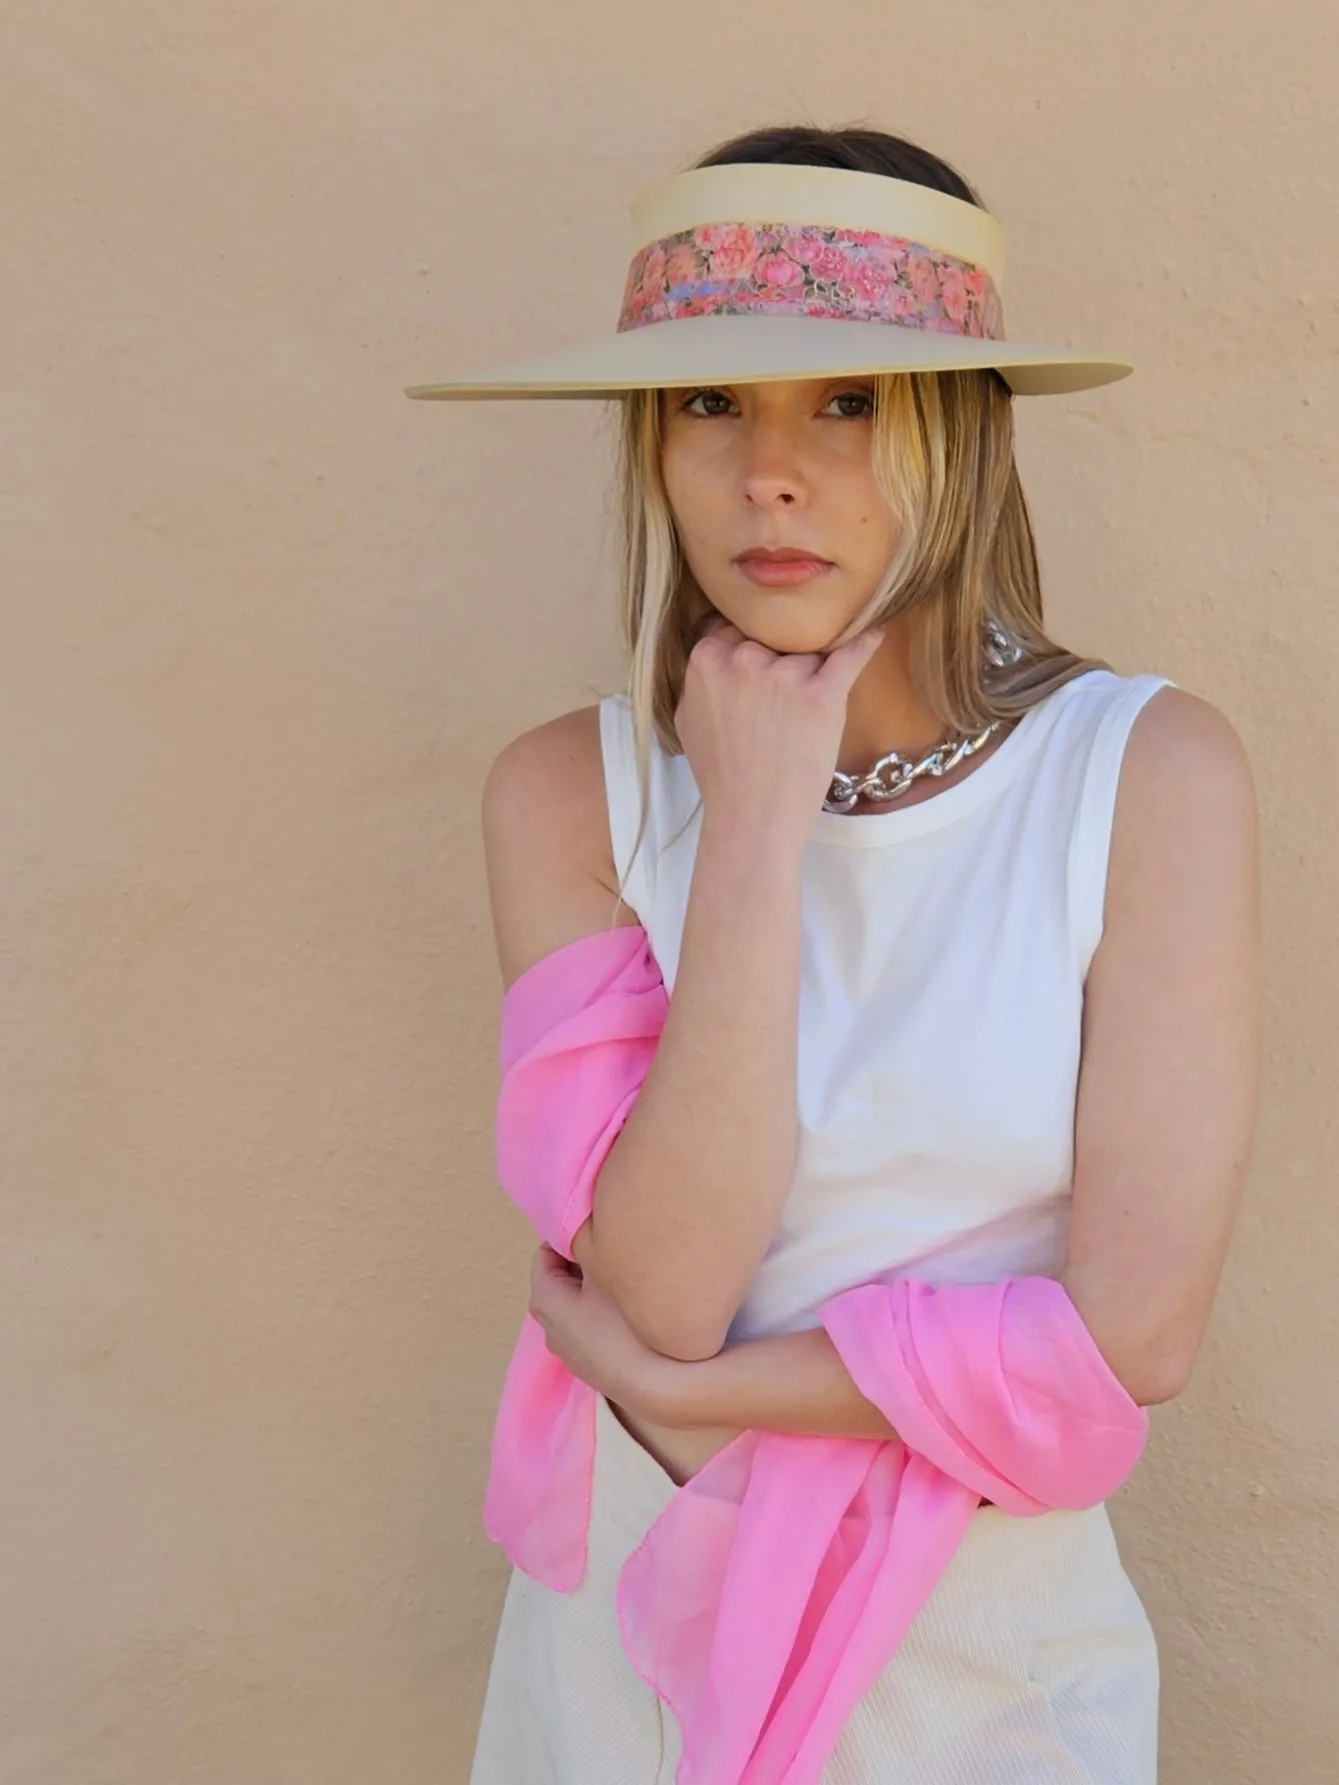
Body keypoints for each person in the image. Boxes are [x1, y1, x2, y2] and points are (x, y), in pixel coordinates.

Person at [406, 124, 1262, 1784]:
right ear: (652, 449)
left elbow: (1130, 1345)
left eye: (847, 401)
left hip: (984, 1671)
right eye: (710, 404)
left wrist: (695, 1392)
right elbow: (663, 1280)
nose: (767, 475)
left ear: (964, 434)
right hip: (620, 1666)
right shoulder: (568, 796)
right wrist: (751, 828)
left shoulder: (1141, 778)